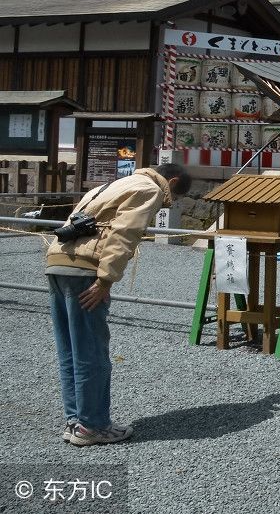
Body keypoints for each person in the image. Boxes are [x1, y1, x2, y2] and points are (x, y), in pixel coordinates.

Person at [45, 162, 191, 446]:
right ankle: (93, 425)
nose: (170, 202)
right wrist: (106, 279)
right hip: (86, 270)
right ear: (172, 181)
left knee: (70, 350)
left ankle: (75, 421)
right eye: (175, 196)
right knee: (91, 351)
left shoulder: (113, 184)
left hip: (58, 263)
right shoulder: (148, 189)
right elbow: (125, 233)